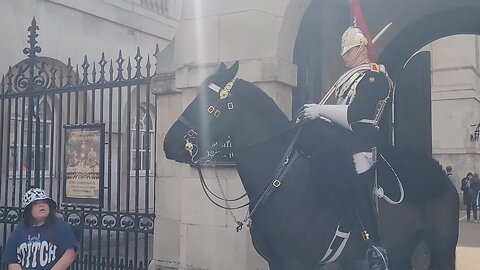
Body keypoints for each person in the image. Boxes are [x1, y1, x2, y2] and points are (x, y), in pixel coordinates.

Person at [300, 21, 393, 269]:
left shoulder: (374, 77)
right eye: (343, 51)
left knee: (358, 184)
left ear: (362, 49)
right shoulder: (346, 78)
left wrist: (320, 110)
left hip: (363, 139)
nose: (344, 56)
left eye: (348, 51)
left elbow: (356, 113)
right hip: (341, 138)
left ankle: (375, 247)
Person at [2, 187, 78, 269]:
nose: (41, 205)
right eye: (36, 203)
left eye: (44, 202)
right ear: (28, 209)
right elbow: (12, 262)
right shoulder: (18, 232)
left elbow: (70, 254)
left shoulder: (61, 227)